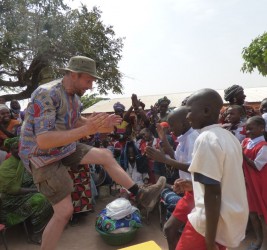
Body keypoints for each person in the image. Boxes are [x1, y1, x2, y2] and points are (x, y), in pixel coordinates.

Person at [19, 55, 166, 250]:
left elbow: (77, 121)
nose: (91, 86)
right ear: (73, 75)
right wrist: (86, 130)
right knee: (64, 212)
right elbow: (44, 140)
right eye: (88, 80)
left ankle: (141, 195)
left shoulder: (74, 98)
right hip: (41, 156)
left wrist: (101, 127)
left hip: (62, 147)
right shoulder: (46, 94)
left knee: (105, 155)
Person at [173, 88, 248, 250]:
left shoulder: (206, 139)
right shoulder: (229, 137)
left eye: (190, 111)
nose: (187, 116)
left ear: (206, 111)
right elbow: (225, 181)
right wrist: (193, 185)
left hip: (208, 225)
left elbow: (213, 193)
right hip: (226, 221)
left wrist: (209, 240)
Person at [146, 107, 198, 250]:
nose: (170, 129)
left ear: (184, 123)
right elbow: (176, 157)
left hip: (198, 192)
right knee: (169, 229)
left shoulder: (194, 138)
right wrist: (163, 139)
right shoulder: (183, 138)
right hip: (189, 191)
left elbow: (194, 167)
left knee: (192, 237)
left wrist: (164, 160)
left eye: (172, 125)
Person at [0, 137, 52, 244]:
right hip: (12, 202)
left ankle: (50, 227)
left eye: (21, 147)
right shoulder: (6, 166)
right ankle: (35, 234)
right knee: (40, 199)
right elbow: (14, 190)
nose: (19, 150)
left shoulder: (27, 161)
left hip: (27, 194)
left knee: (53, 191)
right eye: (15, 148)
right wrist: (36, 190)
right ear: (10, 150)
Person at [242, 116, 267, 250]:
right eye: (247, 128)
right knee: (252, 213)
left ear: (261, 128)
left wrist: (242, 155)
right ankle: (258, 240)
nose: (248, 131)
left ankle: (264, 244)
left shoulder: (263, 147)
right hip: (249, 183)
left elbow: (257, 166)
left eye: (251, 128)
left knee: (262, 214)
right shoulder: (247, 142)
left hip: (260, 184)